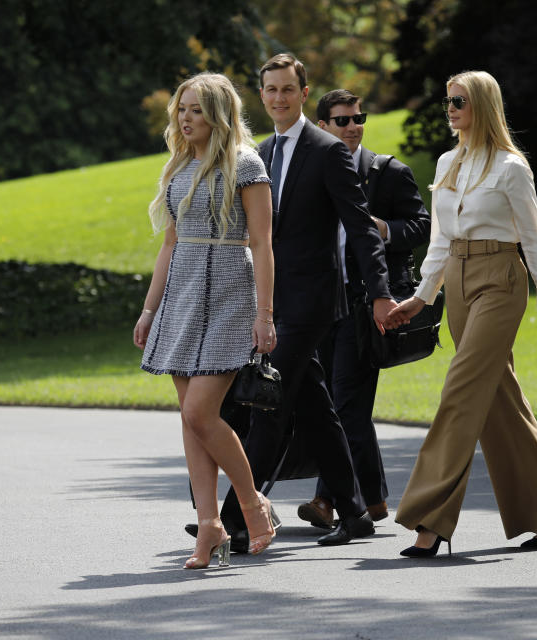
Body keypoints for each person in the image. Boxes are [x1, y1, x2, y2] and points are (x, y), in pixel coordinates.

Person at [386, 70, 537, 557]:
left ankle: (430, 521)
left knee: (461, 388)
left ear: (483, 106)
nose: (450, 109)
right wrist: (423, 296)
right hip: (459, 280)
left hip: (501, 279)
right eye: (447, 101)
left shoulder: (512, 168)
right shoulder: (448, 162)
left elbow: (534, 236)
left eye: (460, 101)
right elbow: (439, 241)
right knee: (497, 400)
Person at [215, 53, 398, 549]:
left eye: (288, 90)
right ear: (262, 94)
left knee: (269, 402)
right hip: (270, 299)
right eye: (270, 90)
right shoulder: (258, 152)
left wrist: (380, 294)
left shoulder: (327, 150)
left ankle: (234, 516)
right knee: (315, 407)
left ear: (302, 93)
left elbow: (361, 229)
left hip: (313, 302)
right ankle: (355, 511)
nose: (278, 98)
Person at [134, 72, 276, 569]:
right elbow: (169, 245)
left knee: (200, 413)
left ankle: (253, 503)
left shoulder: (247, 164)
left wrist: (265, 315)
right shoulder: (177, 167)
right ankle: (210, 526)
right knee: (190, 421)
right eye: (181, 109)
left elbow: (262, 244)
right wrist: (150, 309)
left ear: (218, 114)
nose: (185, 118)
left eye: (196, 109)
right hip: (182, 296)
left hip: (230, 295)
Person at [296, 89, 431, 529]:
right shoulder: (312, 170)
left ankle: (329, 501)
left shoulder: (388, 173)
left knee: (344, 405)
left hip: (367, 304)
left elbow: (422, 226)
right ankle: (371, 498)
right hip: (321, 304)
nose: (353, 126)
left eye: (359, 118)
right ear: (322, 125)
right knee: (340, 403)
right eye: (342, 120)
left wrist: (382, 229)